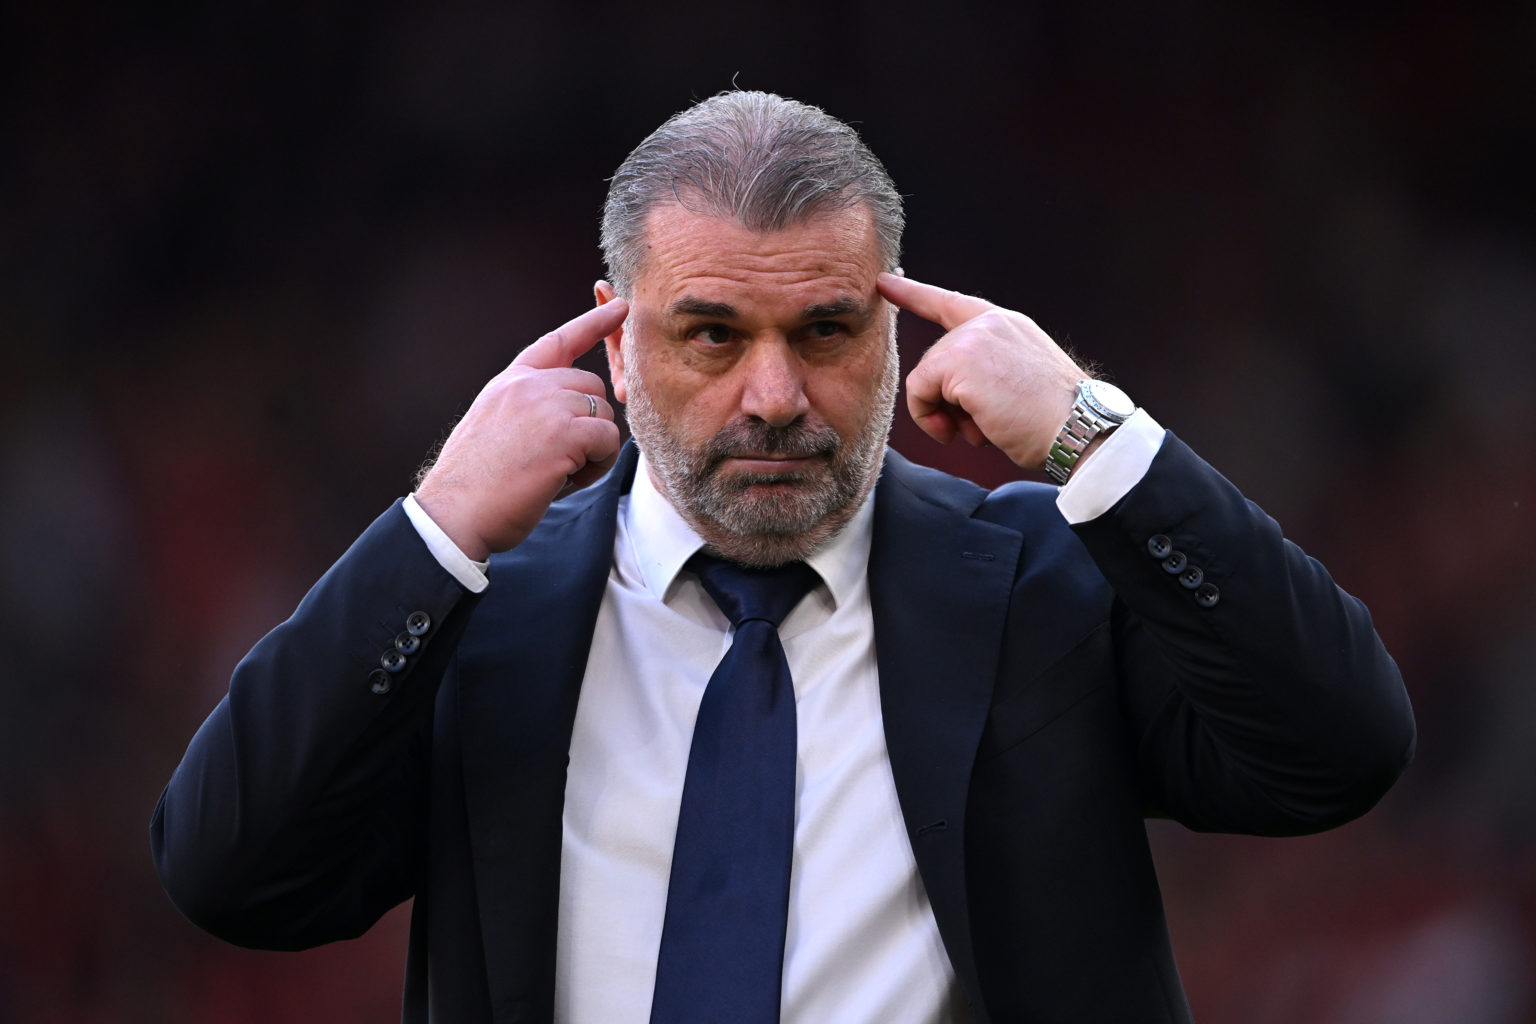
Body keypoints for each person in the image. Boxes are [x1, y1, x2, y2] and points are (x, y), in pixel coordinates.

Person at [152, 91, 1415, 1023]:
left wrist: (1093, 428)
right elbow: (232, 871)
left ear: (897, 325)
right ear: (616, 342)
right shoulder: (483, 616)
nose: (772, 394)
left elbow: (1340, 746)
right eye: (709, 334)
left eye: (824, 329)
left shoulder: (1047, 586)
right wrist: (434, 530)